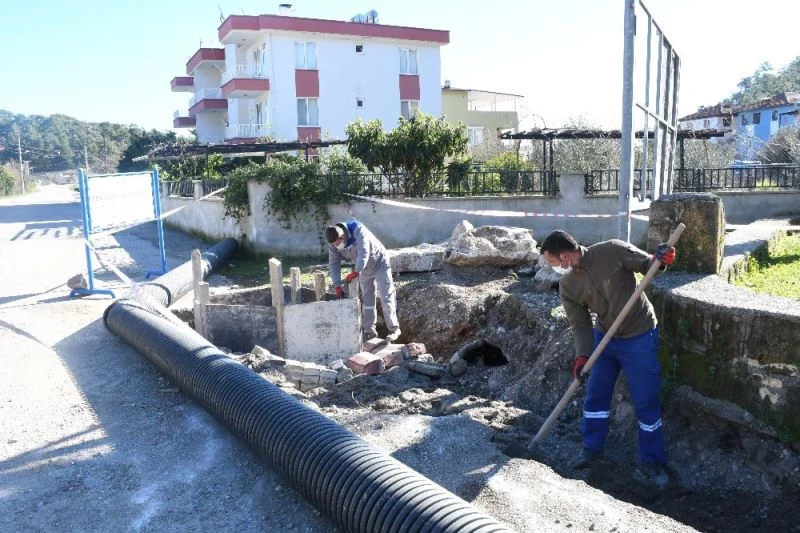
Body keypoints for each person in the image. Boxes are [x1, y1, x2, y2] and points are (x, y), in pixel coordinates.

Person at [539, 229, 676, 488]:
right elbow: (579, 325)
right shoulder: (568, 286)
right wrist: (582, 356)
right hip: (605, 338)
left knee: (646, 400)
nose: (551, 266)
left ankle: (653, 462)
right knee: (596, 395)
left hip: (639, 335)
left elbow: (649, 265)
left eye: (552, 260)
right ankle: (592, 449)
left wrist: (662, 258)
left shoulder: (611, 250)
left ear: (565, 255)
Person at [325, 220, 401, 342]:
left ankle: (394, 329)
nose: (336, 246)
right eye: (333, 244)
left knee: (385, 296)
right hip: (363, 268)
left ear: (343, 236)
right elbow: (334, 264)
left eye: (337, 243)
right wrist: (337, 285)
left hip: (379, 262)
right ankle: (369, 331)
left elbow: (364, 252)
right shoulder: (333, 244)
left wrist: (357, 271)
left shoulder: (357, 230)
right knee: (367, 299)